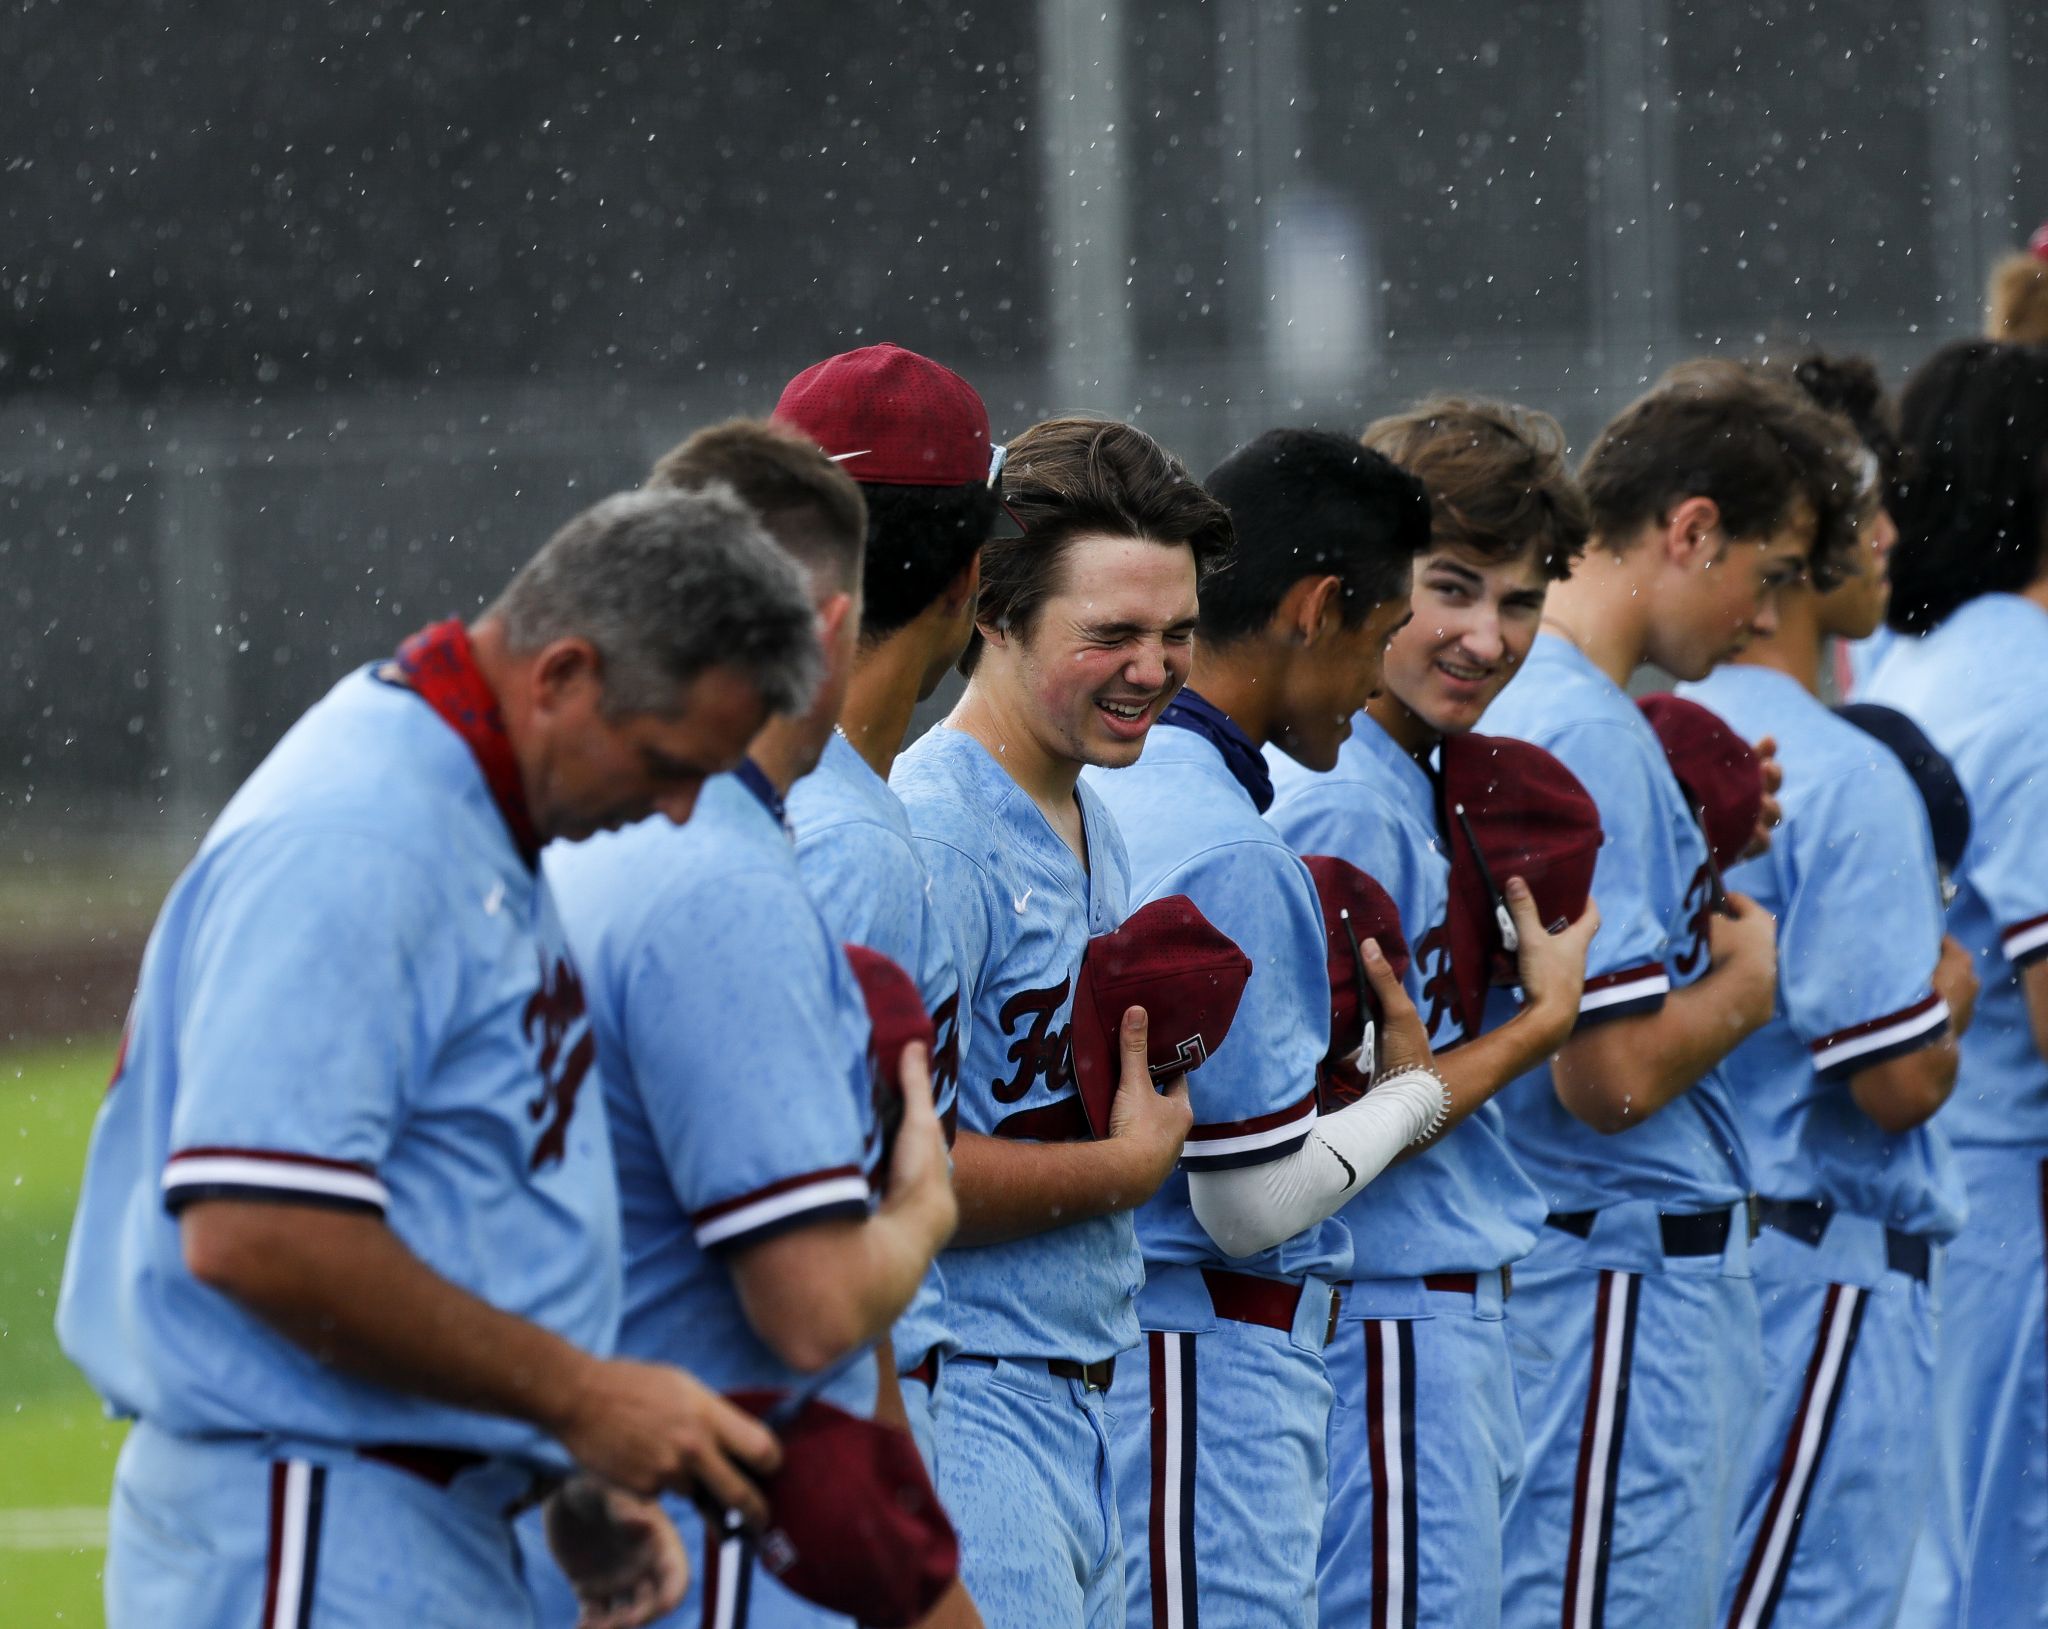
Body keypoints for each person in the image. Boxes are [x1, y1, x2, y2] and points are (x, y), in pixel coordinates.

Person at [56, 488, 821, 1629]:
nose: (673, 811)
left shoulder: (467, 799)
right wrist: (578, 1398)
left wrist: (551, 1461)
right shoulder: (363, 836)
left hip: (392, 1508)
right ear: (561, 675)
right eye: (663, 760)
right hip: (311, 1515)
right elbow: (255, 1231)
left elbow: (457, 1191)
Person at [519, 425, 960, 1629]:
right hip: (721, 1545)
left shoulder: (568, 842)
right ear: (825, 634)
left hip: (582, 1519)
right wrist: (922, 1207)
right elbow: (808, 1308)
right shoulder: (717, 881)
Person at [1479, 362, 1865, 1629]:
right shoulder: (1583, 720)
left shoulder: (1562, 701)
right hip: (1611, 1279)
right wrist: (1750, 985)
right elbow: (1610, 1077)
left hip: (1599, 1275)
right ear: (1688, 529)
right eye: (1766, 574)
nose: (1762, 619)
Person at [1083, 428, 1454, 1628]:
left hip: (1116, 1348)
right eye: (1380, 629)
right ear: (1313, 607)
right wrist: (1405, 1095)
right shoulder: (1236, 847)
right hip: (1201, 1359)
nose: (1377, 673)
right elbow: (1238, 1206)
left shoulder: (1106, 779)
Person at [890, 416, 1229, 1628]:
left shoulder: (1097, 817)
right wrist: (1123, 1167)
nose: (1154, 667)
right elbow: (892, 1169)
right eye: (1112, 635)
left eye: (1176, 631)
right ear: (991, 610)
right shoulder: (932, 836)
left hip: (1083, 1396)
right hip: (972, 1391)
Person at [1265, 399, 1599, 1628]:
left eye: (1518, 602)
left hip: (1427, 1317)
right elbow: (1322, 1141)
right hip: (1385, 1317)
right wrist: (1539, 1022)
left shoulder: (1405, 773)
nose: (1482, 635)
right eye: (1448, 588)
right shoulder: (1341, 797)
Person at [1676, 352, 1980, 1629]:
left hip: (1722, 1250)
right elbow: (1897, 1079)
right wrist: (1950, 989)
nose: (1884, 538)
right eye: (1851, 515)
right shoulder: (1836, 764)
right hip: (1824, 1259)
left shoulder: (1670, 723)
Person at [765, 343, 1000, 1479]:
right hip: (844, 1417)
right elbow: (819, 1214)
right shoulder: (851, 833)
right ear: (968, 580)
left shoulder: (735, 784)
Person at [1860, 338, 2048, 1629]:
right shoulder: (2027, 678)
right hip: (2012, 1198)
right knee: (2001, 1563)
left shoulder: (1911, 658)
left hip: (1931, 1184)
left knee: (1937, 1561)